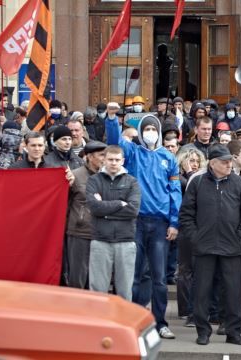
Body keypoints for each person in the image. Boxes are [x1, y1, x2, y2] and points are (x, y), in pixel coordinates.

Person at [105, 113, 182, 339]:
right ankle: (134, 320)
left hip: (160, 225)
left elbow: (175, 193)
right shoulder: (133, 153)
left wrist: (174, 222)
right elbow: (115, 143)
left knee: (158, 277)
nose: (150, 133)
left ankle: (160, 323)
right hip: (135, 222)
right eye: (146, 129)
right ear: (140, 132)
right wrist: (111, 119)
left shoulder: (169, 158)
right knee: (134, 274)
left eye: (153, 129)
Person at [179, 145, 241, 346]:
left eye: (230, 161)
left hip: (232, 247)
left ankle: (233, 331)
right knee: (202, 292)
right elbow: (186, 214)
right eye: (224, 162)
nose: (229, 164)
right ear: (212, 163)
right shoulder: (197, 183)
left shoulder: (240, 184)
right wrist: (195, 237)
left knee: (233, 292)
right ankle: (203, 331)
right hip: (204, 247)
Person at [86, 145, 141, 300]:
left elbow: (133, 210)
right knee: (97, 292)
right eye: (110, 159)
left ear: (122, 161)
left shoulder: (132, 182)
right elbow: (94, 208)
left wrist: (105, 211)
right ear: (104, 159)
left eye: (117, 160)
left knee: (124, 292)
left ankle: (123, 324)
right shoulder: (94, 180)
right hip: (100, 241)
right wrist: (119, 204)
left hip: (125, 241)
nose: (113, 163)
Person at [66, 141, 107, 289]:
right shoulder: (75, 176)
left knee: (98, 279)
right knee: (78, 278)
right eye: (101, 155)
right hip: (79, 232)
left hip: (102, 234)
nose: (105, 158)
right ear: (89, 156)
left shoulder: (109, 176)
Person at [175, 147, 206, 327]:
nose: (194, 164)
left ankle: (195, 307)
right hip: (184, 228)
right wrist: (188, 174)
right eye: (190, 160)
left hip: (199, 228)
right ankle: (185, 309)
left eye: (196, 161)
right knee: (185, 270)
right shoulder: (179, 178)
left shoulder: (202, 178)